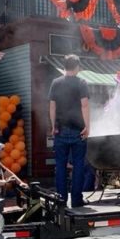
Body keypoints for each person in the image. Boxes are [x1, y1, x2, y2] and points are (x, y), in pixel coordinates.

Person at [48, 54, 90, 208]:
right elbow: (84, 105)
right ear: (77, 67)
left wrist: (53, 126)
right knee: (78, 165)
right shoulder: (81, 83)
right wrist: (87, 126)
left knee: (60, 166)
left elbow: (52, 106)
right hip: (78, 130)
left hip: (60, 130)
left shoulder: (55, 83)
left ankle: (61, 199)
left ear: (64, 66)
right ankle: (77, 200)